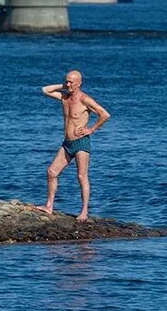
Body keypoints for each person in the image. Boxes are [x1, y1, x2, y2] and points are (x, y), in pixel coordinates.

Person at [37, 70, 111, 222]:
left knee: (81, 176)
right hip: (67, 143)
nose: (68, 84)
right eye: (67, 81)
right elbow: (45, 90)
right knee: (51, 172)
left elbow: (104, 114)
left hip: (81, 143)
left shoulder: (85, 99)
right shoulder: (64, 97)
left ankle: (84, 211)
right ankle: (49, 206)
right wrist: (63, 86)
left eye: (71, 82)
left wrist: (91, 129)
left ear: (79, 83)